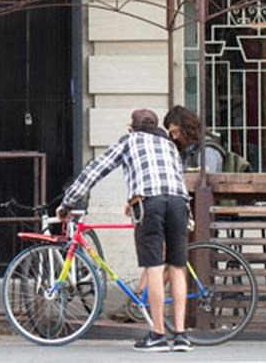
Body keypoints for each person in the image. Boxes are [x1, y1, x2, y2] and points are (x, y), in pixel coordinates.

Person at [59, 108, 193, 352]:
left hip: (150, 204)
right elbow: (171, 179)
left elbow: (95, 171)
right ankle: (182, 335)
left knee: (154, 267)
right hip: (178, 203)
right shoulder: (169, 145)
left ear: (131, 128)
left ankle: (158, 334)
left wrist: (68, 202)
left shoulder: (129, 140)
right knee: (177, 267)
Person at [164, 105, 223, 172]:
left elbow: (207, 177)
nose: (174, 137)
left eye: (176, 132)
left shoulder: (207, 150)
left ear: (187, 128)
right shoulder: (189, 149)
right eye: (171, 133)